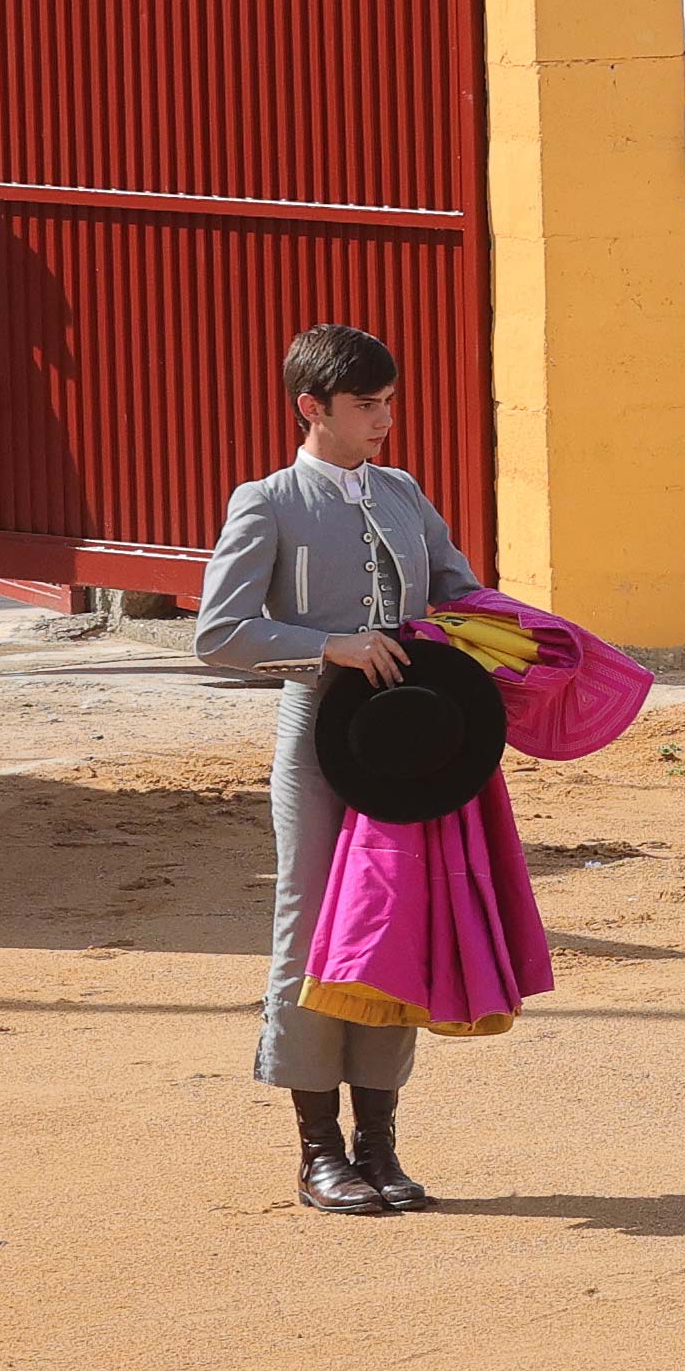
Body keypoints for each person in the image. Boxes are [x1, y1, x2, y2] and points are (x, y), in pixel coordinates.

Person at [194, 323, 484, 1215]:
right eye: (367, 406)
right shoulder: (269, 501)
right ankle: (320, 1153)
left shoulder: (401, 492)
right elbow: (220, 632)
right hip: (319, 740)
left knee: (393, 929)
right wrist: (334, 646)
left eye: (390, 402)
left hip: (409, 747)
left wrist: (514, 635)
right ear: (310, 407)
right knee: (313, 932)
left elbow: (458, 588)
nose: (385, 420)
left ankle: (381, 1147)